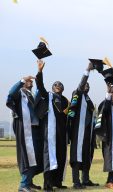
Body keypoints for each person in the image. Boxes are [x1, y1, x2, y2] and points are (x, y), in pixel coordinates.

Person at [35, 60, 70, 191]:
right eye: (55, 84)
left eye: (60, 85)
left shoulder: (66, 101)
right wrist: (39, 71)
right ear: (52, 88)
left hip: (61, 132)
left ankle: (57, 181)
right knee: (49, 157)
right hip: (49, 132)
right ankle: (47, 184)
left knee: (61, 157)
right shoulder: (48, 96)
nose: (58, 85)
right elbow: (40, 86)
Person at [6, 74, 43, 192]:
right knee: (28, 157)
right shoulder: (19, 93)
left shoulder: (32, 94)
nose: (30, 82)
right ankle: (23, 184)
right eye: (27, 81)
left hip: (36, 130)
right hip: (26, 130)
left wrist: (39, 72)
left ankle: (29, 182)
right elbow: (10, 93)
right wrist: (22, 80)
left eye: (30, 81)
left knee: (37, 157)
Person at [68, 62, 99, 189]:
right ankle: (76, 181)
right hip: (78, 131)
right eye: (85, 85)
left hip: (88, 132)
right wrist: (87, 70)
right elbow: (81, 85)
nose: (86, 86)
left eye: (88, 85)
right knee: (77, 156)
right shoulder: (78, 94)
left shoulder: (88, 99)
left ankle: (85, 179)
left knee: (87, 155)